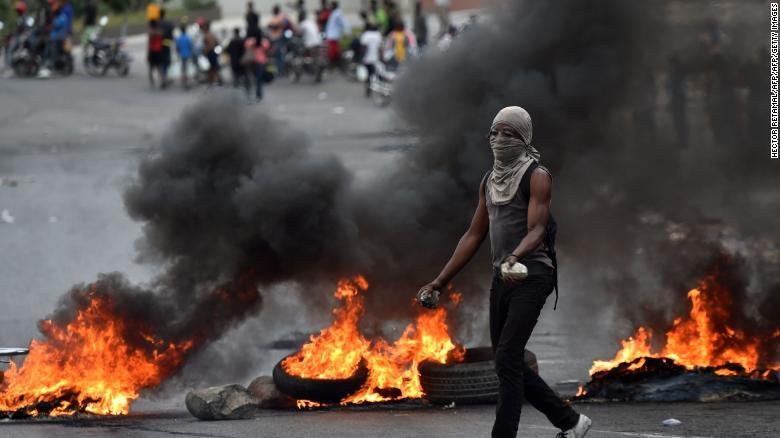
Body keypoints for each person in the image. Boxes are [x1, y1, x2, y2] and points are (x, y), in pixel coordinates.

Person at [416, 107, 593, 438]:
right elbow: (473, 235)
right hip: (502, 279)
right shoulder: (489, 180)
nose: (499, 139)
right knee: (506, 363)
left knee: (509, 359)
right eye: (494, 133)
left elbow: (538, 228)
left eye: (508, 133)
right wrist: (440, 281)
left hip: (533, 275)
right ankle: (570, 422)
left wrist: (515, 256)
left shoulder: (537, 176)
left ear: (524, 138)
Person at [244, 30, 270, 101]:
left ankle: (250, 93)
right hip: (261, 61)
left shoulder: (250, 41)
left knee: (251, 77)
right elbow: (267, 48)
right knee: (259, 79)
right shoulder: (264, 41)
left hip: (251, 61)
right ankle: (258, 94)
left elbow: (246, 46)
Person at [359, 22, 382, 97]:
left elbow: (364, 47)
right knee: (376, 73)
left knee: (368, 74)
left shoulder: (366, 35)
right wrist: (381, 57)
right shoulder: (378, 35)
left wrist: (362, 57)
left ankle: (368, 90)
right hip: (375, 58)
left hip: (367, 59)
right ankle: (378, 89)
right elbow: (380, 48)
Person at [324, 1, 349, 67]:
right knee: (332, 50)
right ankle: (335, 62)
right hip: (331, 34)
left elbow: (344, 22)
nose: (329, 7)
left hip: (334, 35)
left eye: (331, 6)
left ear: (334, 6)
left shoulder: (338, 13)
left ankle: (335, 63)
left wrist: (347, 31)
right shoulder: (334, 13)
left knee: (333, 50)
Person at [158, 8, 174, 89]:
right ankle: (165, 77)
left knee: (160, 62)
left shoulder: (156, 23)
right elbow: (171, 34)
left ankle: (162, 79)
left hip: (158, 44)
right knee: (166, 61)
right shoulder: (168, 23)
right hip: (166, 43)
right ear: (164, 14)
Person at [175, 24, 193, 89]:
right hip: (188, 55)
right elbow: (191, 46)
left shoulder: (179, 38)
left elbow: (177, 47)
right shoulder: (188, 37)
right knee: (187, 68)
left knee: (183, 69)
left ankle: (184, 82)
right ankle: (187, 82)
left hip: (182, 55)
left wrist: (177, 54)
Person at [146, 19, 163, 87]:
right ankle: (161, 80)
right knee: (159, 67)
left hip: (152, 52)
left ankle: (152, 81)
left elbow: (149, 44)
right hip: (159, 51)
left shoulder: (150, 32)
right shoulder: (160, 32)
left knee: (151, 68)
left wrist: (147, 54)